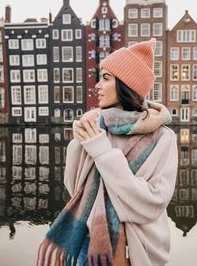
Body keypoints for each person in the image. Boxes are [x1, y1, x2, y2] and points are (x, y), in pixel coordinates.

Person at [37, 39, 178, 266]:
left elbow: (152, 202)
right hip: (86, 243)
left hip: (132, 248)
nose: (97, 86)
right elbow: (74, 189)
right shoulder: (96, 126)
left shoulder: (162, 138)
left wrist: (102, 152)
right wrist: (78, 142)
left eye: (105, 78)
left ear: (125, 85)